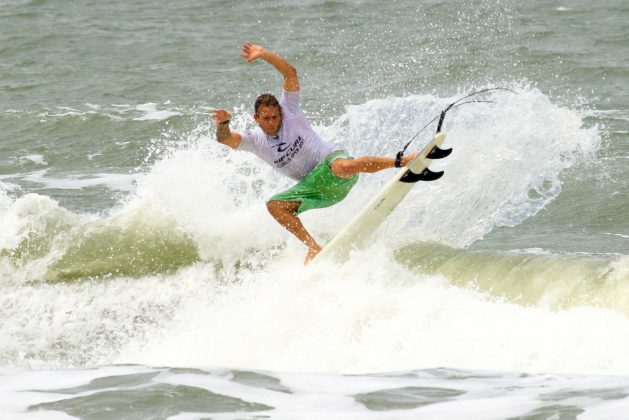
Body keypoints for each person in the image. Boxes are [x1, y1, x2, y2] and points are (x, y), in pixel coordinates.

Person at [212, 43, 416, 264]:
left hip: (332, 165)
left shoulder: (290, 110)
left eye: (274, 116)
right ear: (256, 118)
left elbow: (290, 72)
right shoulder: (255, 141)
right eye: (266, 118)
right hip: (315, 190)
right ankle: (313, 247)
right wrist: (223, 122)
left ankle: (402, 161)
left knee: (341, 166)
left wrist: (264, 54)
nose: (272, 122)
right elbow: (225, 139)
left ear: (280, 113)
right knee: (274, 206)